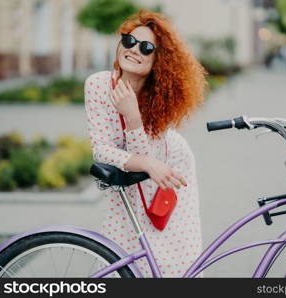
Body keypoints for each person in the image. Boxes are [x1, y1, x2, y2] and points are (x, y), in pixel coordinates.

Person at [84, 9, 207, 277]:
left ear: (159, 61)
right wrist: (148, 162)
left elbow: (144, 171)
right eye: (129, 41)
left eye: (146, 47)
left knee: (168, 249)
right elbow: (102, 150)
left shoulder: (158, 100)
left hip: (170, 164)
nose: (133, 49)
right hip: (148, 164)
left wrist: (133, 116)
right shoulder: (97, 85)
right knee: (119, 244)